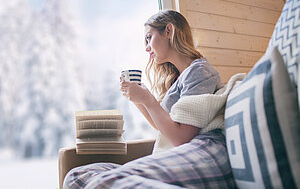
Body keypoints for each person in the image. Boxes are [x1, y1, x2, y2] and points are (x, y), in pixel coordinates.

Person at [63, 10, 236, 189]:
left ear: (168, 31)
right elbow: (162, 127)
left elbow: (181, 138)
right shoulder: (177, 78)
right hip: (185, 151)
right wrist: (138, 99)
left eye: (148, 38)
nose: (146, 47)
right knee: (76, 176)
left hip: (206, 152)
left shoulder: (199, 71)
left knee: (101, 182)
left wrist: (147, 99)